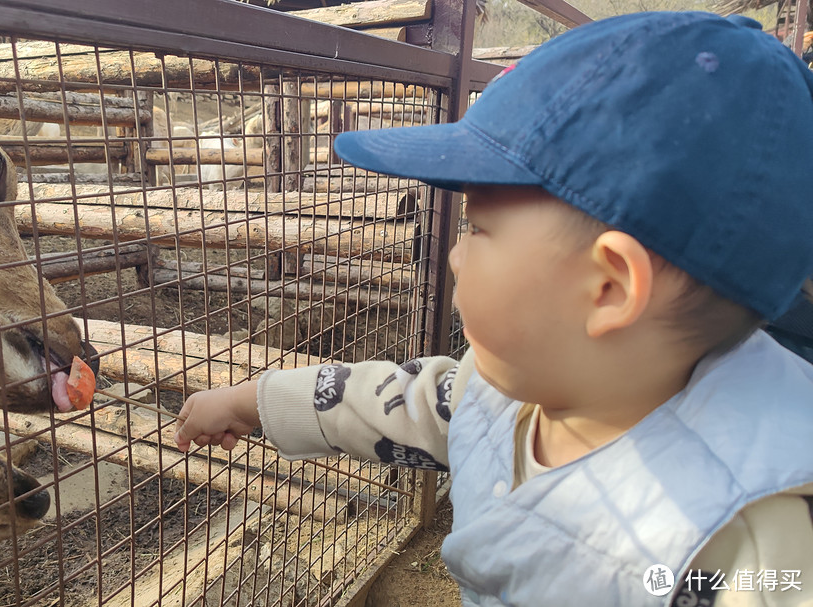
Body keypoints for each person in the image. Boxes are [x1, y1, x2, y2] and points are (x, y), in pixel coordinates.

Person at [174, 11, 813, 606]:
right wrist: (252, 400)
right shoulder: (506, 390)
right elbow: (397, 401)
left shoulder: (740, 541)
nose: (453, 254)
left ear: (609, 288)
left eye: (476, 229)